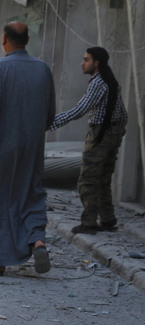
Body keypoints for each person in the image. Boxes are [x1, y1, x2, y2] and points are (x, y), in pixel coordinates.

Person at [0, 21, 55, 276]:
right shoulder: (43, 69)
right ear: (27, 40)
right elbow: (50, 112)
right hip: (32, 147)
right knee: (32, 193)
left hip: (2, 146)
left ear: (4, 39)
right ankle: (37, 240)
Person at [49, 47, 127, 235]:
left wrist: (51, 123)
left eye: (86, 60)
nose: (82, 63)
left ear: (96, 63)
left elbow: (80, 110)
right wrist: (118, 133)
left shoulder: (98, 83)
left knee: (87, 180)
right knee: (103, 178)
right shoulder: (110, 81)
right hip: (113, 133)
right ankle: (107, 219)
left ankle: (89, 223)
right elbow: (123, 113)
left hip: (101, 134)